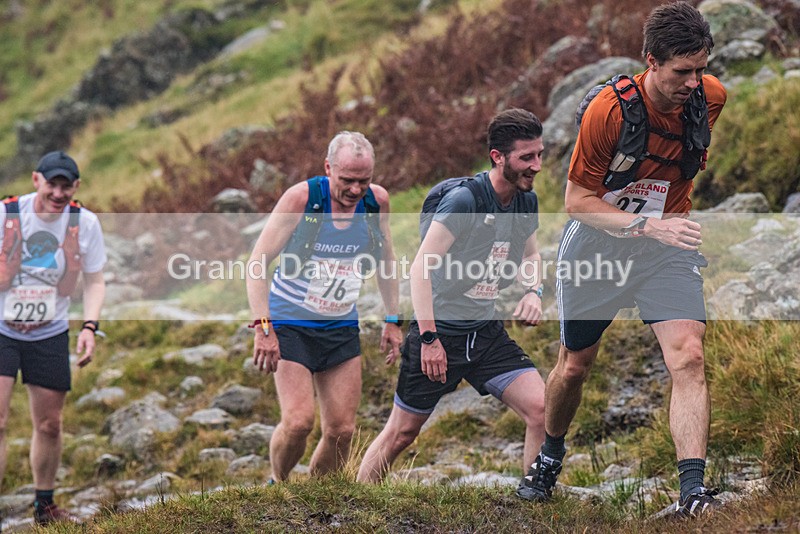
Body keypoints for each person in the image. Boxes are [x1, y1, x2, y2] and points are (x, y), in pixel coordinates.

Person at [517, 2, 727, 517]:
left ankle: (692, 492)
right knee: (574, 366)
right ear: (650, 60)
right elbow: (576, 202)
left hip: (665, 250)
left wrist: (660, 229)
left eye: (700, 69)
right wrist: (645, 222)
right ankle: (550, 455)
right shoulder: (608, 112)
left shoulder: (710, 97)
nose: (694, 82)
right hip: (598, 247)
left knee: (689, 355)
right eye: (682, 72)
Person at [358, 108, 547, 483]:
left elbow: (532, 254)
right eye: (527, 157)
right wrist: (429, 339)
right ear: (498, 157)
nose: (537, 165)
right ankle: (355, 505)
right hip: (440, 334)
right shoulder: (465, 202)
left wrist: (534, 291)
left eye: (540, 154)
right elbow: (420, 269)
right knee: (401, 434)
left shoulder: (526, 201)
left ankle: (535, 499)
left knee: (542, 409)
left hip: (486, 334)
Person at [246, 131, 402, 482]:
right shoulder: (301, 199)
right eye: (347, 180)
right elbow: (256, 264)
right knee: (299, 422)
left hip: (340, 325)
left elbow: (386, 261)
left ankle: (317, 498)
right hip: (290, 323)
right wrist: (263, 327)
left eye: (364, 180)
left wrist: (393, 319)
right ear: (328, 168)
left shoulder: (377, 202)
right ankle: (279, 482)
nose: (355, 190)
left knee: (342, 431)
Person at [0, 151, 106, 525]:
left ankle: (44, 505)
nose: (58, 193)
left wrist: (89, 327)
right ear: (35, 181)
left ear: (75, 187)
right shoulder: (7, 215)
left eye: (66, 186)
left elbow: (94, 280)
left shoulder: (85, 223)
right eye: (51, 185)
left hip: (49, 332)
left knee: (50, 424)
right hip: (2, 330)